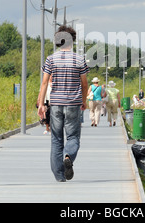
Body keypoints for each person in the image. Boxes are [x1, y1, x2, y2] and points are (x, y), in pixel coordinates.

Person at [37, 25, 89, 182]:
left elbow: (45, 82)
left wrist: (41, 104)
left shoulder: (51, 59)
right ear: (72, 41)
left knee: (56, 139)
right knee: (73, 137)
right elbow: (85, 84)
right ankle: (68, 156)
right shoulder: (79, 59)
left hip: (56, 104)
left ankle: (59, 176)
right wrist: (84, 101)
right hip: (73, 103)